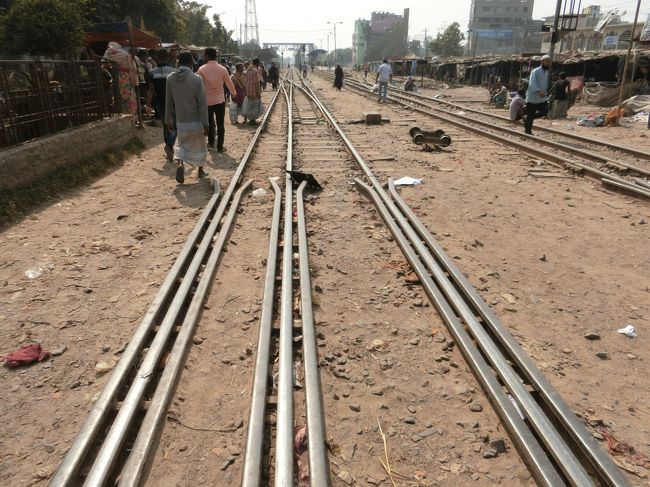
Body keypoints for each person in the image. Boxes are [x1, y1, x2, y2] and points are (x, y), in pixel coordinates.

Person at [165, 51, 210, 184]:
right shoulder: (196, 79)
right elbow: (202, 103)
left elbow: (169, 102)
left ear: (178, 62)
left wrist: (168, 120)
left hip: (180, 121)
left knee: (182, 145)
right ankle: (200, 171)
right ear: (191, 63)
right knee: (201, 146)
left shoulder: (170, 79)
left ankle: (180, 165)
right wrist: (206, 124)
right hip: (196, 121)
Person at [198, 47, 237, 152]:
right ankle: (220, 146)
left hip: (207, 101)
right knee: (220, 124)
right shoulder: (223, 69)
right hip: (220, 100)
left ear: (207, 56)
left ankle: (210, 143)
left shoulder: (201, 69)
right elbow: (229, 83)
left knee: (210, 123)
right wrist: (234, 93)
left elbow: (200, 86)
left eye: (204, 55)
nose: (203, 57)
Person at [148, 49, 177, 160]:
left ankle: (169, 148)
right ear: (168, 57)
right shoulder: (175, 71)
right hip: (174, 102)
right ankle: (169, 146)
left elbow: (151, 90)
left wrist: (148, 104)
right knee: (175, 126)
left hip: (159, 103)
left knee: (166, 125)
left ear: (157, 58)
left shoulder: (152, 73)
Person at [524, 54, 551, 135]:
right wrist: (538, 91)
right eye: (546, 62)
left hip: (542, 98)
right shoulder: (535, 71)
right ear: (542, 61)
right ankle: (527, 131)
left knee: (544, 111)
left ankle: (528, 118)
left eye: (549, 62)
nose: (548, 63)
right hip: (533, 97)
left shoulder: (546, 72)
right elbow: (532, 83)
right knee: (530, 114)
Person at [243, 58, 263, 125]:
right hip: (254, 92)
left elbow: (245, 81)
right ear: (257, 63)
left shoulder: (248, 70)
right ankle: (252, 120)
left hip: (248, 91)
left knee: (250, 106)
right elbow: (257, 83)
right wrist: (258, 94)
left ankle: (251, 119)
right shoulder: (255, 71)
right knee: (254, 106)